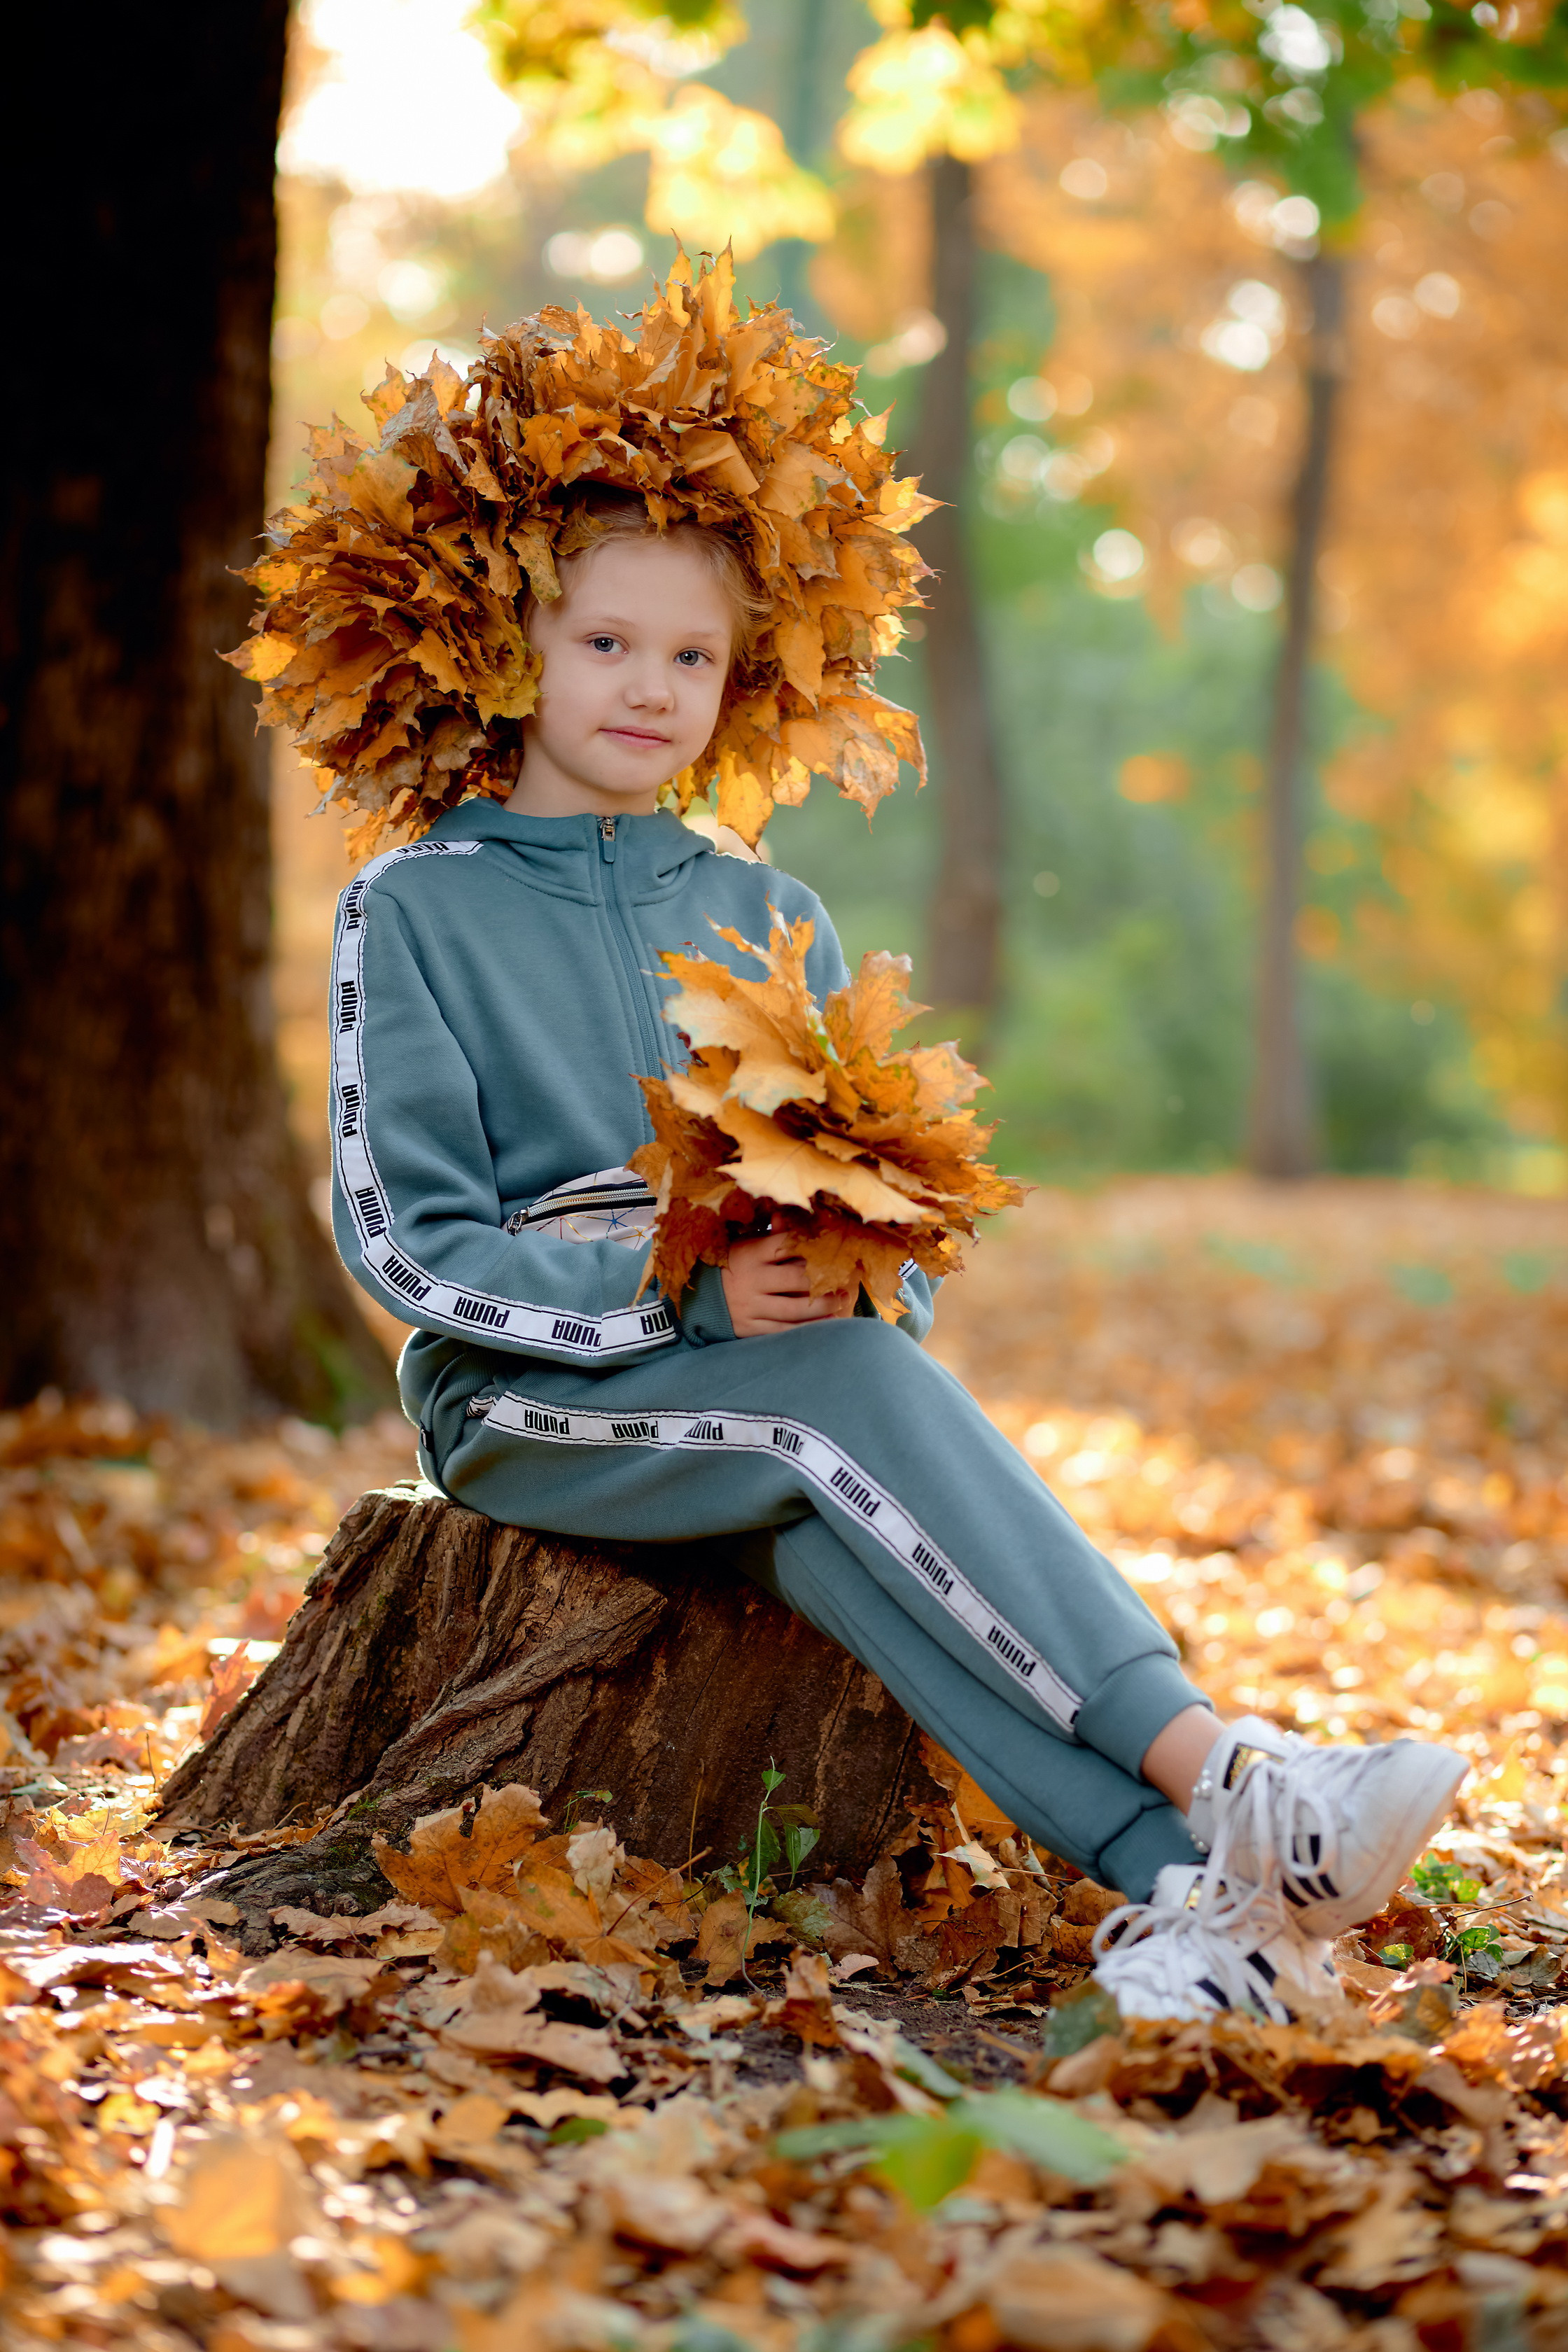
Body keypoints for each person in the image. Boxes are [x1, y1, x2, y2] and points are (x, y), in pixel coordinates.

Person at [236, 259, 1466, 2023]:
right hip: (526, 1401)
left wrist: (841, 1291)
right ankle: (1234, 1768)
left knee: (846, 1512)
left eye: (692, 655)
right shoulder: (410, 909)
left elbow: (861, 1193)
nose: (650, 687)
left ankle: (1199, 1898)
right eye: (604, 642)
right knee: (830, 1428)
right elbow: (401, 1238)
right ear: (511, 644)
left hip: (776, 1388)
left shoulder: (766, 908)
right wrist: (680, 1303)